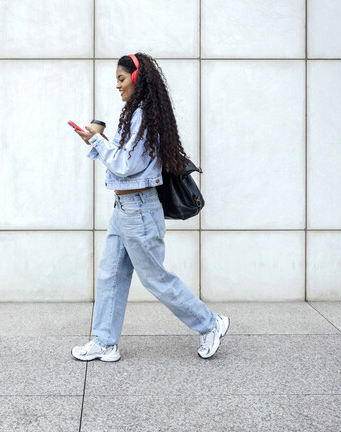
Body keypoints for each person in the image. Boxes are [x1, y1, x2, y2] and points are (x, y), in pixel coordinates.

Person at [71, 52, 230, 362]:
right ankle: (105, 341)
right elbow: (122, 155)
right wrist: (97, 139)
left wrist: (97, 143)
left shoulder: (143, 114)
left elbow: (125, 164)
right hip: (125, 207)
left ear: (137, 77)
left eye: (121, 78)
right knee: (110, 274)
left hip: (140, 210)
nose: (117, 85)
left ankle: (211, 324)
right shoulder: (134, 113)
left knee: (155, 277)